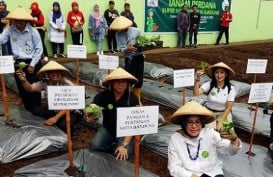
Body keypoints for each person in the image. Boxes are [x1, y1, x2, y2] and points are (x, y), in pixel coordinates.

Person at [168, 101, 241, 177]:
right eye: (189, 122)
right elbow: (174, 167)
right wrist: (191, 175)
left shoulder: (210, 133)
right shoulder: (176, 139)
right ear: (183, 124)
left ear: (202, 124)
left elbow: (230, 151)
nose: (194, 126)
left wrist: (234, 140)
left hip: (213, 173)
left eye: (197, 122)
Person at [16, 60, 82, 137]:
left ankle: (72, 129)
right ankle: (59, 119)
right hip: (56, 108)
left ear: (61, 74)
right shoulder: (45, 83)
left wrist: (55, 118)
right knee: (37, 111)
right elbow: (30, 88)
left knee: (63, 125)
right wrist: (24, 81)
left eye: (57, 72)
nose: (55, 74)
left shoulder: (67, 84)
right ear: (47, 74)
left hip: (72, 110)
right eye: (51, 72)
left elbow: (70, 106)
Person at [86, 68, 138, 160]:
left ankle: (120, 145)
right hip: (108, 128)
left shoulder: (132, 98)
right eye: (117, 82)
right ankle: (112, 145)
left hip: (125, 131)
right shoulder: (103, 95)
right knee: (95, 146)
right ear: (112, 83)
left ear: (127, 83)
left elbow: (133, 124)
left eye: (124, 82)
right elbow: (93, 106)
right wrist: (90, 114)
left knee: (123, 155)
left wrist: (124, 144)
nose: (121, 85)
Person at [0, 6, 43, 112]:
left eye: (21, 21)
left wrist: (32, 65)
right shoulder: (10, 30)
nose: (18, 23)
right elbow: (1, 40)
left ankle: (36, 107)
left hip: (32, 62)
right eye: (16, 20)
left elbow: (39, 49)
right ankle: (27, 107)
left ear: (25, 20)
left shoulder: (33, 32)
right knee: (22, 87)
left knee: (34, 85)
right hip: (18, 63)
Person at [111, 16, 144, 105]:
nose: (122, 29)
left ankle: (137, 100)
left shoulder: (136, 30)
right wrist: (127, 49)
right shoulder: (118, 34)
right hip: (129, 58)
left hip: (139, 57)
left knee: (139, 78)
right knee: (128, 78)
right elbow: (121, 48)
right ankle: (128, 98)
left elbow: (142, 41)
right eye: (120, 28)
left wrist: (140, 47)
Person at [193, 62, 236, 131]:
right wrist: (198, 78)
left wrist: (220, 122)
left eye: (222, 72)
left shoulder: (231, 88)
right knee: (209, 132)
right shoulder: (209, 84)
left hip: (223, 113)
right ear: (214, 74)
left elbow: (228, 108)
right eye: (217, 72)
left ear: (226, 74)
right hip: (209, 112)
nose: (219, 75)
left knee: (227, 132)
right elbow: (196, 93)